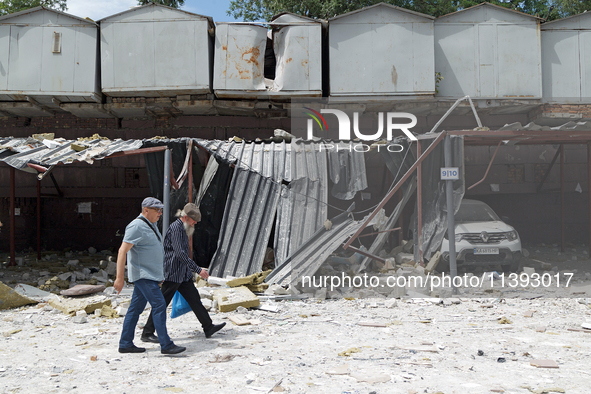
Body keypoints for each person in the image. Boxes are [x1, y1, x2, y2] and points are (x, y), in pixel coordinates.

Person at [141, 203, 225, 343]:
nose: (195, 223)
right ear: (185, 217)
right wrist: (198, 269)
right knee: (161, 303)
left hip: (182, 274)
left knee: (194, 299)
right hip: (173, 273)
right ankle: (147, 332)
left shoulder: (183, 228)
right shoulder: (176, 229)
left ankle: (208, 327)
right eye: (193, 220)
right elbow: (180, 254)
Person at [113, 197, 186, 355]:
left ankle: (125, 343)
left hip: (150, 275)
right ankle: (166, 345)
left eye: (161, 210)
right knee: (159, 304)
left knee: (135, 309)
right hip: (143, 275)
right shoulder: (136, 226)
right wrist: (119, 278)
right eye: (157, 210)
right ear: (146, 210)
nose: (160, 213)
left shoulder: (150, 224)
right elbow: (122, 251)